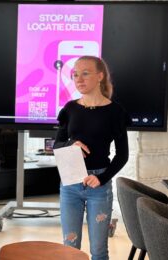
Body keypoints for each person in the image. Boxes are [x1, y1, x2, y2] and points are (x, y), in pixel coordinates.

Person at [53, 56, 129, 260]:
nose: (79, 79)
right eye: (75, 74)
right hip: (70, 184)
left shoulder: (115, 111)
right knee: (70, 248)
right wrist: (71, 144)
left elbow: (123, 155)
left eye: (85, 73)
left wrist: (102, 178)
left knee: (99, 250)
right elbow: (56, 146)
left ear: (100, 76)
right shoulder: (70, 109)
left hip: (99, 186)